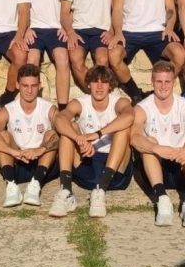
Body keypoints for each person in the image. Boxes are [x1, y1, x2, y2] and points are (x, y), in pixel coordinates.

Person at [49, 65, 136, 218]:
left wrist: (97, 134)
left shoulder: (119, 101)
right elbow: (60, 119)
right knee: (70, 128)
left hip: (115, 171)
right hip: (87, 164)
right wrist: (78, 138)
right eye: (95, 82)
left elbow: (129, 116)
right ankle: (66, 191)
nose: (100, 86)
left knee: (123, 128)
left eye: (104, 82)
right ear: (89, 84)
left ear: (110, 85)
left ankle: (100, 190)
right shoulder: (80, 102)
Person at [107, 0, 183, 104]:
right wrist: (118, 32)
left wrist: (169, 26)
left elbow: (171, 7)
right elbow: (117, 9)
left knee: (179, 55)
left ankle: (157, 91)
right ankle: (136, 94)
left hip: (157, 32)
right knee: (113, 56)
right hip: (130, 31)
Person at [132, 62, 185, 228]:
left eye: (167, 81)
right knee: (149, 143)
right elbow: (134, 138)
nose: (163, 86)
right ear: (152, 82)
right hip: (156, 170)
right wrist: (157, 148)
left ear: (174, 83)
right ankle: (162, 199)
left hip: (181, 165)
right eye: (159, 81)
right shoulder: (142, 108)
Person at [18, 0, 77, 109]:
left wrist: (67, 27)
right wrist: (25, 29)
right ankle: (31, 107)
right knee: (32, 60)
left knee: (62, 58)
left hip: (57, 29)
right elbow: (20, 7)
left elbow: (73, 6)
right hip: (34, 29)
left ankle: (63, 109)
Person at [0, 65, 59, 208]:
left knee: (52, 134)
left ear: (39, 86)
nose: (29, 90)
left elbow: (62, 134)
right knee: (3, 135)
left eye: (34, 85)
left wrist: (40, 150)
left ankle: (36, 184)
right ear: (17, 85)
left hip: (43, 162)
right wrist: (14, 152)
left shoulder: (49, 108)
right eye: (25, 86)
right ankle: (11, 185)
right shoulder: (8, 110)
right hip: (18, 161)